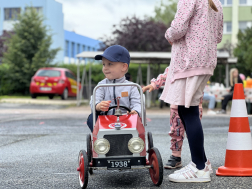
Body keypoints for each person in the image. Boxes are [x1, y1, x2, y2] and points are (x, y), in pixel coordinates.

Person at [142, 0, 223, 183]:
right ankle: (201, 162)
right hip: (206, 61)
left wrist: (168, 34)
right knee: (190, 109)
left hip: (189, 60)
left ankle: (199, 168)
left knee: (188, 110)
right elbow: (218, 36)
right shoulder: (217, 2)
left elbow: (178, 29)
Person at [143, 67, 204, 169]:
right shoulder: (177, 64)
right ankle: (176, 156)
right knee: (175, 132)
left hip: (194, 105)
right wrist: (154, 84)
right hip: (176, 105)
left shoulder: (196, 64)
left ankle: (199, 158)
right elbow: (166, 75)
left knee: (194, 133)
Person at [86, 45, 141, 132]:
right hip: (105, 119)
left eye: (110, 64)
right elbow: (95, 99)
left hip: (127, 119)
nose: (105, 68)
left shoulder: (132, 87)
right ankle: (101, 140)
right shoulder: (101, 86)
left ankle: (133, 141)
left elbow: (138, 103)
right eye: (103, 64)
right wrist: (98, 105)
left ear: (124, 67)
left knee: (138, 119)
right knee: (91, 118)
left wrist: (135, 111)